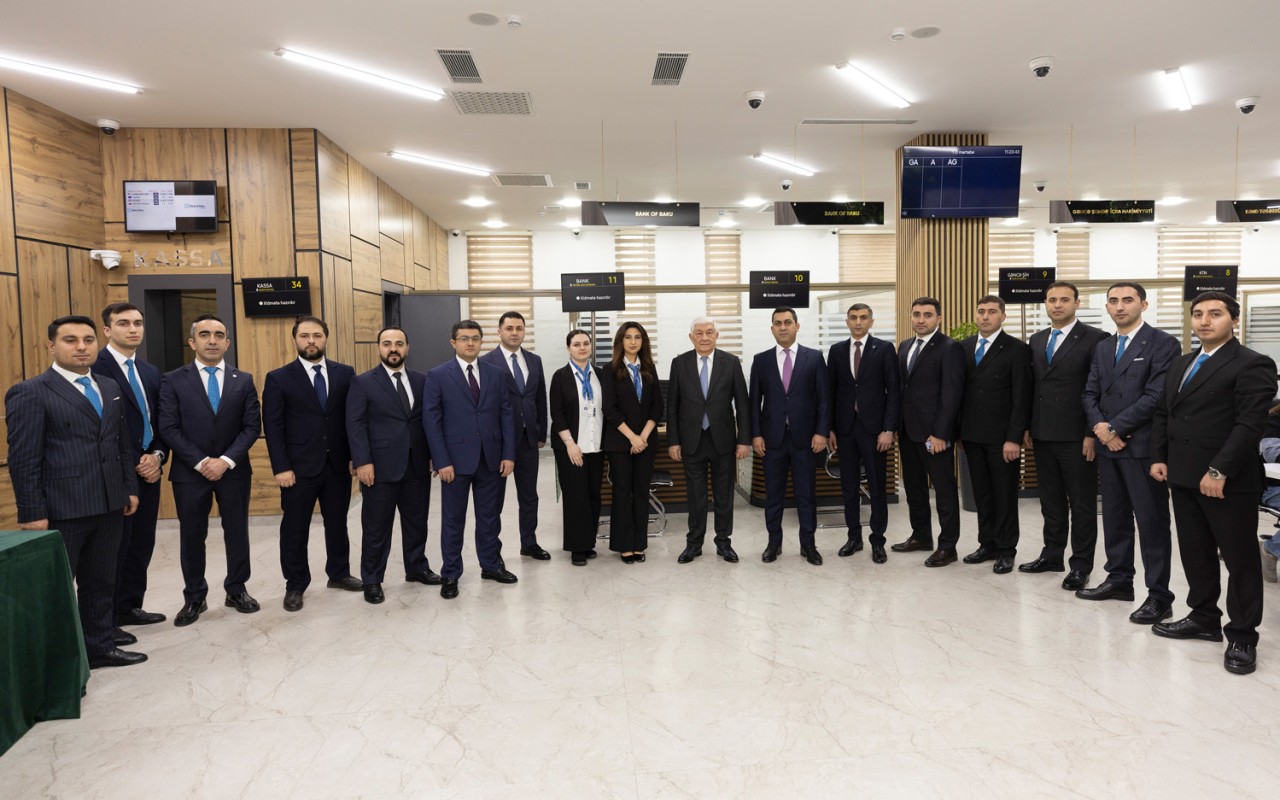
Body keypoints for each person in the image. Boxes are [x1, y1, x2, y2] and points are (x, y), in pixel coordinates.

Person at [1150, 291, 1277, 675]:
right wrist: (1159, 456)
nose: (1205, 321)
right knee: (1196, 553)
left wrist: (1219, 470)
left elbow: (1249, 425)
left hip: (1228, 480)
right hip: (1183, 475)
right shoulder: (1182, 362)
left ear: (1234, 321)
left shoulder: (1253, 363)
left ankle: (1242, 635)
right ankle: (1204, 617)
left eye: (1215, 314)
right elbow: (1164, 413)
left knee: (1240, 560)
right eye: (1199, 314)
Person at [6, 315, 143, 668]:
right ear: (51, 346)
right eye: (70, 340)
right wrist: (32, 512)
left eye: (88, 340)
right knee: (55, 590)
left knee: (101, 582)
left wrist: (128, 489)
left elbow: (120, 445)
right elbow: (24, 459)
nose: (81, 347)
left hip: (110, 504)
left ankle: (99, 648)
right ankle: (58, 666)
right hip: (62, 509)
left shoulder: (108, 386)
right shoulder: (31, 391)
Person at [1079, 281, 1181, 625]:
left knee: (1152, 523)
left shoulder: (1163, 343)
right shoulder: (1103, 346)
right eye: (1113, 301)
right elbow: (1089, 393)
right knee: (1115, 518)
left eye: (1127, 300)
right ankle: (1119, 580)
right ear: (1107, 307)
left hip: (1142, 448)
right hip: (1109, 448)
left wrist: (1115, 428)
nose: (1120, 306)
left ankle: (1159, 596)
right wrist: (1101, 429)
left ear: (1143, 305)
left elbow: (1156, 396)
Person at [158, 314, 261, 626]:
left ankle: (236, 589)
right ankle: (194, 597)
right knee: (192, 536)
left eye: (219, 335)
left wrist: (225, 461)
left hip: (234, 471)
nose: (212, 340)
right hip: (190, 473)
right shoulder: (173, 380)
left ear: (227, 343)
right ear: (193, 342)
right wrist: (203, 462)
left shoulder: (243, 380)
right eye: (205, 335)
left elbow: (251, 427)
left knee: (237, 532)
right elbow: (168, 427)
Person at [262, 316, 362, 612]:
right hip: (297, 468)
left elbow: (352, 419)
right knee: (295, 528)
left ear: (325, 338)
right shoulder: (279, 378)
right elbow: (274, 426)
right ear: (295, 340)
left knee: (338, 523)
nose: (311, 341)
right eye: (304, 336)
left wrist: (356, 456)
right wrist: (281, 467)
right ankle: (295, 584)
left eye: (317, 335)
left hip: (337, 465)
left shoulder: (345, 373)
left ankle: (339, 574)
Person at [1020, 281, 1111, 590]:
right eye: (1051, 300)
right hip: (1042, 434)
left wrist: (1091, 433)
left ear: (1077, 303)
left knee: (1082, 505)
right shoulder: (1037, 339)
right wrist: (1028, 426)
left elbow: (1098, 390)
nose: (1057, 305)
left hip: (1077, 437)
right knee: (1051, 501)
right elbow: (1034, 387)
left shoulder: (1096, 339)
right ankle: (1052, 555)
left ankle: (1081, 565)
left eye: (1064, 300)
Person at [423, 320, 517, 599]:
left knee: (489, 518)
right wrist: (441, 461)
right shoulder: (438, 375)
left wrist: (508, 454)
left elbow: (506, 415)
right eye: (464, 338)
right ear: (453, 342)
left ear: (481, 341)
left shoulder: (496, 374)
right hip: (454, 462)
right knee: (453, 520)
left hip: (491, 459)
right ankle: (451, 573)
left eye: (475, 338)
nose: (470, 343)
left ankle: (491, 565)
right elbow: (431, 421)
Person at [92, 303, 168, 639]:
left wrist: (157, 456)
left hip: (150, 470)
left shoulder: (150, 372)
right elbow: (101, 427)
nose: (133, 329)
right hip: (116, 472)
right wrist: (137, 459)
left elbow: (160, 421)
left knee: (141, 543)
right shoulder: (95, 367)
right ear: (107, 330)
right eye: (123, 323)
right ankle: (105, 621)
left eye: (137, 323)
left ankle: (129, 606)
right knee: (113, 549)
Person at [346, 327, 438, 605]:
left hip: (417, 465)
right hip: (379, 467)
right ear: (378, 348)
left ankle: (416, 567)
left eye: (399, 343)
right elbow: (356, 424)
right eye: (387, 344)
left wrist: (433, 454)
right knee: (377, 527)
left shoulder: (422, 380)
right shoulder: (362, 382)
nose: (393, 348)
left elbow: (428, 421)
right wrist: (362, 461)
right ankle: (372, 579)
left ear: (408, 347)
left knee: (416, 522)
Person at [666, 317, 751, 563]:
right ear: (691, 337)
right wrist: (673, 441)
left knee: (724, 496)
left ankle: (724, 543)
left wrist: (744, 440)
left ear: (717, 335)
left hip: (723, 440)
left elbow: (742, 405)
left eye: (709, 332)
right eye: (699, 333)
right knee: (696, 496)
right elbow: (672, 406)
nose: (704, 337)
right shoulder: (679, 363)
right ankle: (694, 544)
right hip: (691, 440)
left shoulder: (731, 362)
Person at [750, 307, 830, 565]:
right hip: (772, 441)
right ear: (771, 328)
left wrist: (821, 432)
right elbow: (754, 402)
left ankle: (809, 544)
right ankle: (774, 544)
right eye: (777, 323)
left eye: (787, 322)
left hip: (805, 440)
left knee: (806, 495)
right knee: (773, 496)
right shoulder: (761, 360)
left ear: (797, 326)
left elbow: (824, 399)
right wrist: (756, 434)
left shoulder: (814, 357)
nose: (782, 327)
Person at [957, 295, 1032, 575]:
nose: (985, 316)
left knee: (1004, 495)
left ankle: (1006, 549)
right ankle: (986, 544)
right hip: (971, 435)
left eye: (991, 311)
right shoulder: (963, 347)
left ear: (1003, 316)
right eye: (981, 311)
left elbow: (1021, 397)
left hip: (1002, 439)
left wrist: (1014, 438)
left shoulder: (1017, 349)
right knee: (982, 494)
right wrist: (958, 432)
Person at [893, 296, 966, 567]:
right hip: (908, 431)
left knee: (944, 492)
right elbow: (903, 389)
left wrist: (941, 434)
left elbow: (952, 394)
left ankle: (948, 546)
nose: (921, 320)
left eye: (927, 315)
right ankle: (921, 536)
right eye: (916, 314)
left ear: (939, 318)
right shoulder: (905, 346)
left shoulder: (950, 347)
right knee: (914, 489)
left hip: (934, 436)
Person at [827, 303, 899, 564]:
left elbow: (894, 391)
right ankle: (854, 537)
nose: (858, 322)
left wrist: (888, 429)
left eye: (863, 317)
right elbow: (830, 392)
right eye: (853, 318)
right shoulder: (836, 351)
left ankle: (877, 541)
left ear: (871, 322)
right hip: (845, 430)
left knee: (877, 487)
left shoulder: (884, 349)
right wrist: (830, 428)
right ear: (847, 322)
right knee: (848, 487)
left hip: (875, 431)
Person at [480, 311, 550, 560]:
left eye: (519, 328)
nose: (514, 333)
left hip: (528, 439)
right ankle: (493, 551)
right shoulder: (486, 362)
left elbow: (539, 397)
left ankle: (529, 543)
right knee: (494, 499)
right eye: (509, 328)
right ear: (499, 331)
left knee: (529, 496)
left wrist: (541, 431)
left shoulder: (534, 360)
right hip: (498, 441)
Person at [602, 322, 663, 563]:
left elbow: (657, 407)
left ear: (643, 342)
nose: (633, 341)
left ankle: (639, 545)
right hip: (620, 443)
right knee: (622, 492)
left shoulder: (649, 368)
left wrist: (643, 437)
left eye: (638, 337)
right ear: (621, 341)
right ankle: (624, 545)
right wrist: (632, 437)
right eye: (628, 337)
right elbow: (609, 409)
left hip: (645, 443)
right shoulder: (610, 369)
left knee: (641, 492)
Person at [549, 329, 608, 565]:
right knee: (576, 497)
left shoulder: (601, 375)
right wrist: (570, 443)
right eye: (576, 344)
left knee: (593, 496)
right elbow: (557, 414)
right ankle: (577, 547)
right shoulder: (560, 376)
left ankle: (588, 542)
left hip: (596, 445)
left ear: (591, 347)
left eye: (585, 343)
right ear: (568, 349)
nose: (582, 347)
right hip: (571, 447)